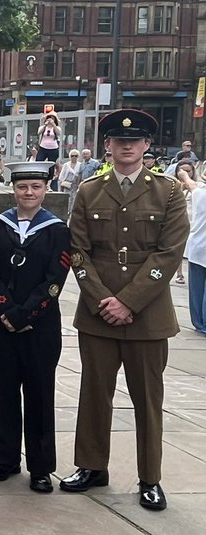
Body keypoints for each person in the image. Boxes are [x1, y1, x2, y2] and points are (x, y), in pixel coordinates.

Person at [60, 109, 189, 511]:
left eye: (135, 141)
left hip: (147, 314)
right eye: (119, 140)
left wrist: (128, 301)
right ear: (108, 146)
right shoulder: (88, 191)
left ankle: (150, 477)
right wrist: (105, 301)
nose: (127, 146)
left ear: (148, 146)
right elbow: (79, 253)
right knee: (95, 394)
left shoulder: (167, 192)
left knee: (147, 400)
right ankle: (92, 466)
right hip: (99, 313)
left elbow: (169, 254)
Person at [0, 161, 72, 493]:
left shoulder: (58, 229)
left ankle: (41, 467)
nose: (28, 193)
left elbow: (54, 281)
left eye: (35, 187)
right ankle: (4, 459)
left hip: (40, 328)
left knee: (40, 396)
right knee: (2, 393)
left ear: (45, 189)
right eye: (22, 187)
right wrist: (6, 311)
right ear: (13, 190)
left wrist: (24, 316)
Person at [184, 163, 206, 334]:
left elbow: (189, 183)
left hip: (198, 246)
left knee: (197, 288)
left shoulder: (200, 192)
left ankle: (199, 322)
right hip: (200, 247)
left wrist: (183, 175)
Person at [173, 160, 195, 285]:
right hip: (178, 219)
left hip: (193, 219)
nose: (185, 173)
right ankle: (179, 273)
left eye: (188, 171)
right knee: (178, 246)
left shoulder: (196, 185)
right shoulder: (172, 185)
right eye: (182, 171)